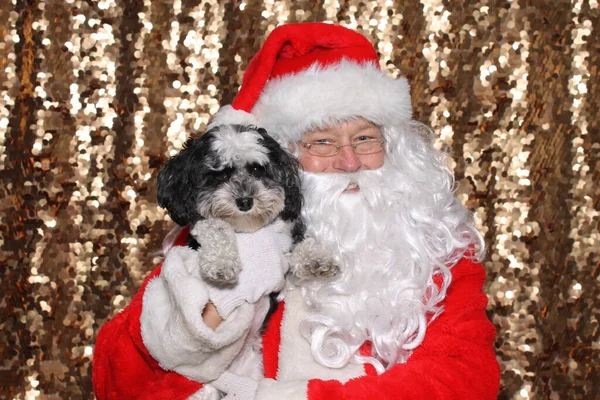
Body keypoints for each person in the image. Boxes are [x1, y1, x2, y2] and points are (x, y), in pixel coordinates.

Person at [92, 22, 500, 400]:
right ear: (284, 160)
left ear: (395, 147)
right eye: (322, 142)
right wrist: (221, 304)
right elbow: (119, 379)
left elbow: (464, 379)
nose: (349, 162)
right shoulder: (219, 236)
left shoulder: (436, 247)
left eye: (364, 138)